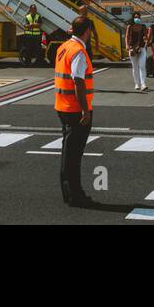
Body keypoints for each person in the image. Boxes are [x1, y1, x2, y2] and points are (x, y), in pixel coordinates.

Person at [54, 16, 96, 206]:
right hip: (75, 109)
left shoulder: (63, 47)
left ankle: (68, 192)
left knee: (67, 151)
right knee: (74, 155)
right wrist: (85, 111)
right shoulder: (79, 51)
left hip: (62, 105)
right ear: (87, 31)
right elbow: (78, 81)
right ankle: (75, 195)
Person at [126, 13, 149, 92]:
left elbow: (147, 37)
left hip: (141, 48)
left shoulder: (143, 27)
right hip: (132, 49)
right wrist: (127, 46)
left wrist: (146, 40)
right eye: (136, 17)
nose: (137, 19)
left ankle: (143, 84)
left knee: (142, 66)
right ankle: (137, 83)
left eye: (138, 17)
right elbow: (127, 37)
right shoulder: (130, 27)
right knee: (135, 67)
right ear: (133, 18)